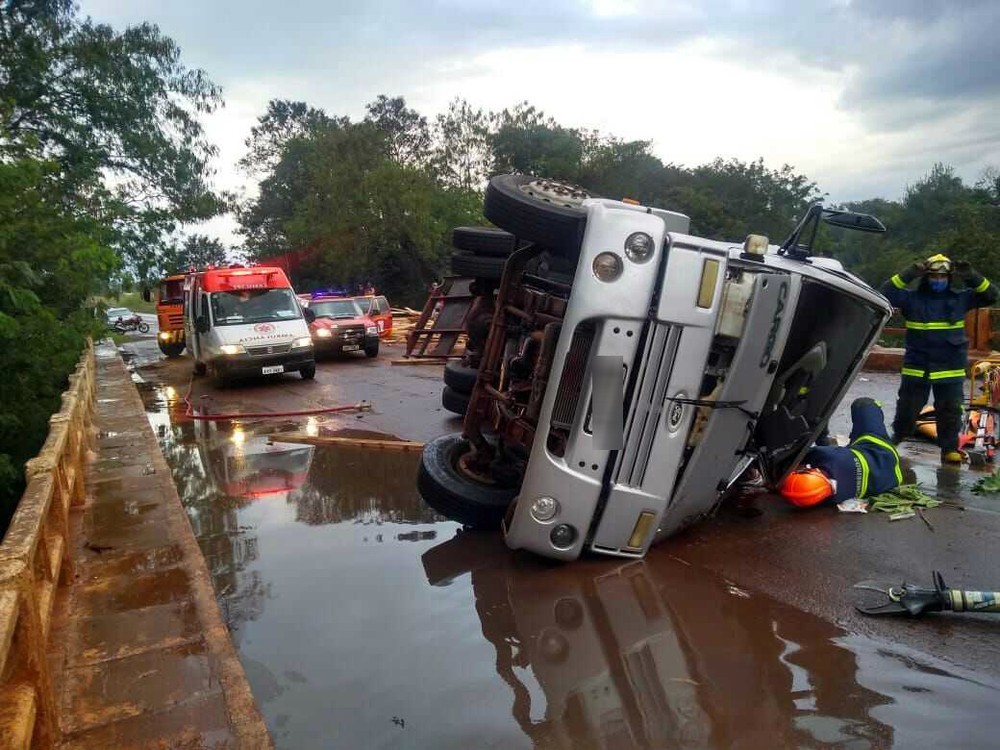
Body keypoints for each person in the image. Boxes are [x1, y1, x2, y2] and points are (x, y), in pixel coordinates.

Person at [880, 253, 999, 463]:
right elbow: (885, 292)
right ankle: (897, 438)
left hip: (950, 367)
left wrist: (971, 276)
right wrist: (909, 273)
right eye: (934, 277)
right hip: (917, 366)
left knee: (950, 409)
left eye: (942, 277)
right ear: (926, 278)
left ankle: (949, 449)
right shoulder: (911, 299)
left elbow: (991, 295)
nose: (938, 281)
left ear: (949, 279)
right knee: (907, 409)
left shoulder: (960, 298)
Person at [778, 397, 902, 507]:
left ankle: (852, 447)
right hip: (879, 449)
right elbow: (795, 455)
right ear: (815, 474)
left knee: (850, 454)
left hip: (891, 478)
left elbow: (798, 491)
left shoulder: (829, 499)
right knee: (864, 404)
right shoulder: (831, 459)